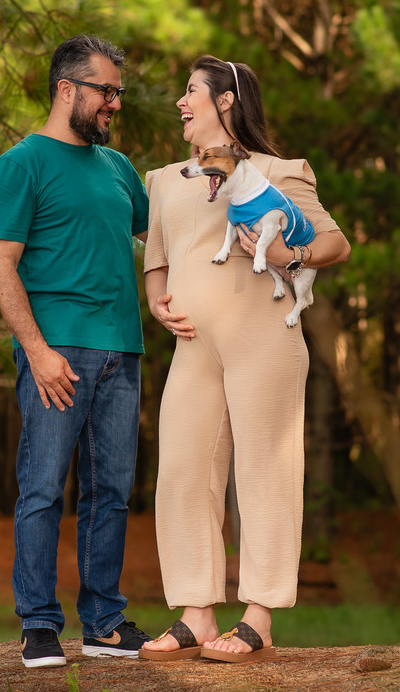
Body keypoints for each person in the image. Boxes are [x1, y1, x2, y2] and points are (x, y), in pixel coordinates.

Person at [138, 56, 350, 663]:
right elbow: (157, 260)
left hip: (265, 343)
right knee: (181, 471)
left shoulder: (279, 172)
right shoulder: (164, 179)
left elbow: (337, 243)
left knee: (265, 473)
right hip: (193, 349)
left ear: (226, 100)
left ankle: (258, 617)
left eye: (190, 93)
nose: (180, 102)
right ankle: (196, 614)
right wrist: (157, 304)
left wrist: (290, 251)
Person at [0, 34, 152, 669]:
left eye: (118, 93)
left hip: (122, 351)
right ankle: (38, 625)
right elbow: (2, 267)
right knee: (43, 489)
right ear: (66, 89)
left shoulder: (119, 169)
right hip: (57, 355)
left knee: (110, 491)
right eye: (105, 91)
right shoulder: (21, 163)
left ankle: (105, 622)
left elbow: (159, 233)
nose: (114, 103)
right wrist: (37, 349)